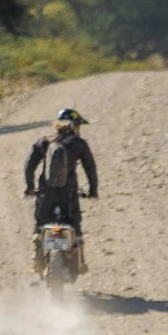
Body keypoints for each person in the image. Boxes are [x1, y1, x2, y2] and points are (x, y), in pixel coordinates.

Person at [22, 107, 99, 271]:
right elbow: (90, 168)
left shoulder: (44, 142)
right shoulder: (79, 144)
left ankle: (38, 252)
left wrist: (30, 186)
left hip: (45, 193)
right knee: (74, 224)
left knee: (41, 223)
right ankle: (79, 261)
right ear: (75, 126)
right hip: (68, 194)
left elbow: (29, 165)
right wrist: (93, 190)